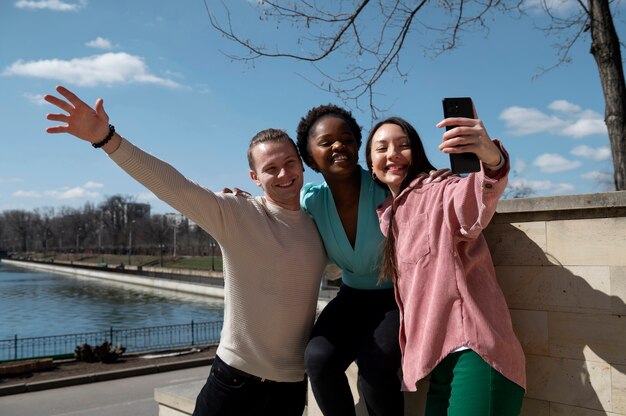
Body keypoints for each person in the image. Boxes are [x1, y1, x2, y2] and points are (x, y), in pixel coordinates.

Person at [44, 85, 328, 416]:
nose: (283, 174)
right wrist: (107, 139)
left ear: (302, 165)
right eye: (270, 168)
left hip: (290, 391)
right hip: (233, 384)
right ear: (254, 177)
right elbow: (173, 186)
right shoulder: (237, 214)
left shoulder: (318, 224)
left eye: (290, 163)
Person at [364, 113, 526, 415]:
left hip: (476, 355)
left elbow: (476, 195)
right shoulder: (388, 217)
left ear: (417, 153)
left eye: (403, 145)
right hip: (439, 366)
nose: (393, 154)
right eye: (381, 148)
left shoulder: (438, 191)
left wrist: (491, 157)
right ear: (371, 165)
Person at [294, 104, 445, 416]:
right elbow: (274, 211)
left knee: (375, 368)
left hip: (395, 298)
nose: (338, 146)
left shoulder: (387, 186)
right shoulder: (311, 200)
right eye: (326, 142)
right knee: (318, 359)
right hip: (351, 298)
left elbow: (426, 194)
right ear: (310, 157)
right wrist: (241, 202)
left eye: (347, 139)